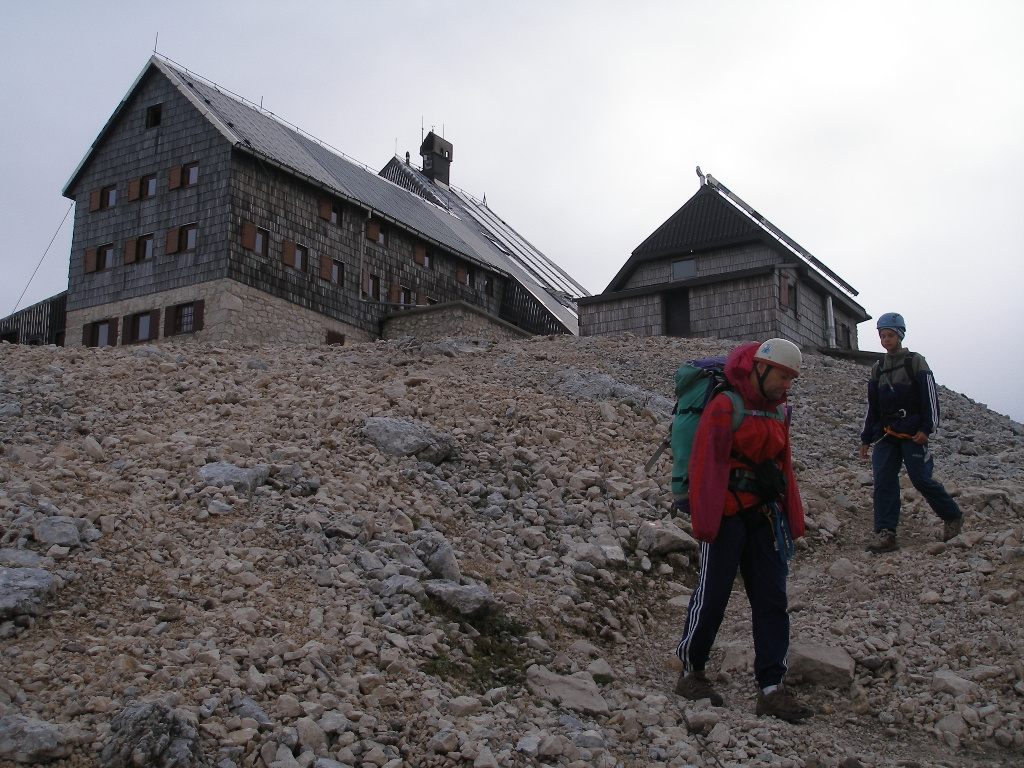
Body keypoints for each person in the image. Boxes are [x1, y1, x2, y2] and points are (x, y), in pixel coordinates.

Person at [674, 338, 812, 723]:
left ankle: (772, 687)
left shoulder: (779, 412)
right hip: (726, 514)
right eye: (783, 376)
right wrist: (706, 523)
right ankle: (690, 671)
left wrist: (791, 516)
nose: (786, 385)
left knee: (771, 598)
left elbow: (784, 466)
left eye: (791, 379)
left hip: (764, 516)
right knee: (713, 594)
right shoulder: (725, 405)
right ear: (762, 369)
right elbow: (706, 464)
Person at [859, 312, 963, 553]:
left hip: (913, 432)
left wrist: (927, 428)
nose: (886, 340)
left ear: (900, 335)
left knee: (920, 479)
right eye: (882, 335)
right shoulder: (878, 368)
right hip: (886, 434)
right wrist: (866, 437)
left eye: (890, 335)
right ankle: (886, 532)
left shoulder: (915, 361)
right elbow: (873, 407)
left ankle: (952, 515)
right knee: (883, 480)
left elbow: (930, 397)